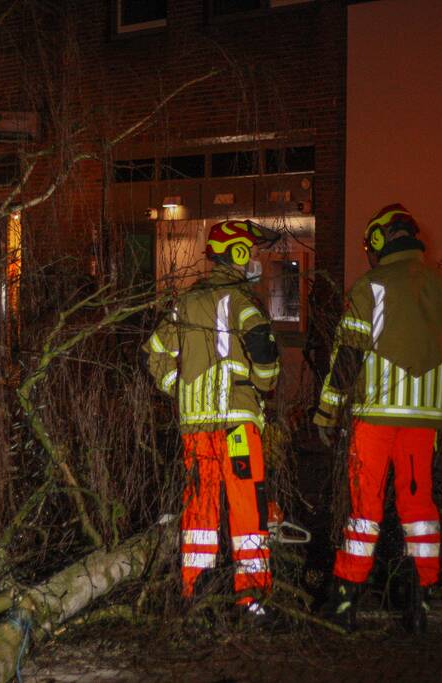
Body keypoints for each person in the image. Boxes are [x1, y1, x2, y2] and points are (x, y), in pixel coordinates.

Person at [314, 203, 442, 631]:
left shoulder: (371, 286)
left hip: (374, 418)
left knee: (364, 510)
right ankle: (420, 602)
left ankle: (346, 601)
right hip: (425, 423)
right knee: (419, 508)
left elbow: (348, 358)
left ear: (381, 242)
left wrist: (327, 412)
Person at [144, 219, 281, 618]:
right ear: (236, 253)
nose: (254, 260)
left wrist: (181, 386)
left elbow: (153, 353)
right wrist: (260, 386)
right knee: (247, 510)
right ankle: (252, 598)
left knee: (200, 510)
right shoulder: (242, 300)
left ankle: (195, 593)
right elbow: (265, 352)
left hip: (196, 427)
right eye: (250, 252)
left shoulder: (184, 301)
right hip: (237, 424)